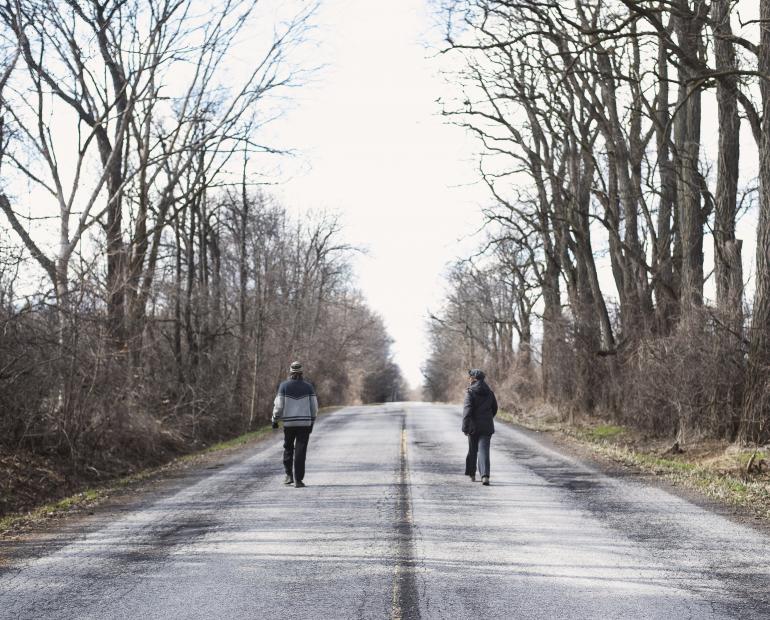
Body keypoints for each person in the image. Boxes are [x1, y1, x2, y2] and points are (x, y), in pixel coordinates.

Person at [272, 361, 318, 488]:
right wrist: (312, 420)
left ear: (290, 372)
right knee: (300, 451)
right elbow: (314, 407)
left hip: (289, 423)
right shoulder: (309, 387)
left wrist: (275, 419)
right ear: (301, 372)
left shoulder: (284, 386)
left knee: (288, 448)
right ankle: (298, 480)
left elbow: (279, 406)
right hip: (304, 423)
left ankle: (288, 475)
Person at [462, 368, 498, 486]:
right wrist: (487, 418)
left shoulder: (470, 392)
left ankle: (472, 474)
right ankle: (485, 476)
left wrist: (465, 427)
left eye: (470, 377)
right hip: (487, 426)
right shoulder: (490, 392)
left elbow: (467, 411)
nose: (469, 379)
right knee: (484, 450)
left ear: (473, 379)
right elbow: (494, 409)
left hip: (473, 427)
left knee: (473, 450)